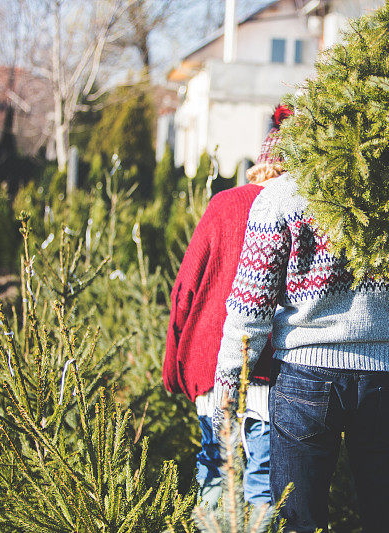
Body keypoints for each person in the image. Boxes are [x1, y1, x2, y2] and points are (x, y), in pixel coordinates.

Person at [212, 137, 389, 530]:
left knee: (299, 519)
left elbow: (252, 307)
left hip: (305, 376)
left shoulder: (281, 195)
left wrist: (229, 385)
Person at [163, 104, 293, 507]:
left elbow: (184, 290)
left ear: (261, 164)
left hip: (211, 363)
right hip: (271, 374)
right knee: (261, 485)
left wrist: (174, 365)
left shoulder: (224, 205)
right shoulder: (301, 211)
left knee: (214, 474)